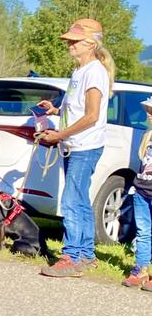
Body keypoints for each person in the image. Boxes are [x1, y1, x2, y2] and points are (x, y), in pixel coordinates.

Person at [37, 18, 115, 277]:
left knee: (71, 200)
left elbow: (92, 115)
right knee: (79, 199)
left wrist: (59, 135)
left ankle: (72, 257)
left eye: (74, 40)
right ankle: (86, 254)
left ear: (91, 43)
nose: (69, 44)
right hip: (76, 145)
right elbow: (79, 109)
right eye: (69, 40)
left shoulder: (94, 72)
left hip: (85, 147)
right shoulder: (80, 71)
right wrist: (57, 110)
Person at [123, 96, 152, 290]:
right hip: (142, 189)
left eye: (151, 111)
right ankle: (141, 269)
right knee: (143, 232)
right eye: (148, 110)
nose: (148, 114)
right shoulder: (147, 135)